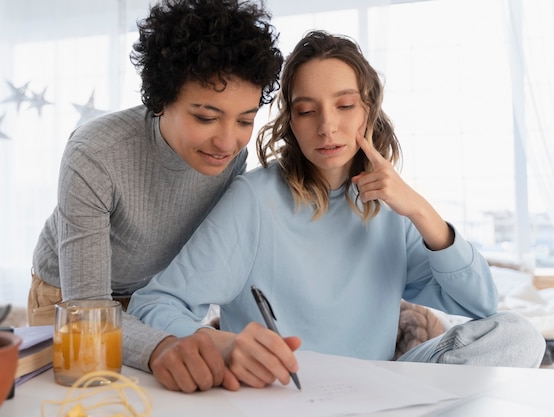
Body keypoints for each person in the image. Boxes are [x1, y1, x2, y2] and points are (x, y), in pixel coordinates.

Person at [128, 30, 546, 389]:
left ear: (368, 111)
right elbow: (155, 304)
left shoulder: (391, 209)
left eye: (345, 106)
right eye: (307, 111)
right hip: (281, 389)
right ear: (291, 122)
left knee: (520, 336)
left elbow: (482, 305)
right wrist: (226, 346)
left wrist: (420, 210)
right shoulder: (254, 199)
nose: (327, 126)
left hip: (381, 387)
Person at [28, 0, 283, 392]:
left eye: (245, 120)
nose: (227, 141)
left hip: (153, 301)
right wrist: (160, 346)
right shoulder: (96, 152)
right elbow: (88, 307)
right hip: (71, 301)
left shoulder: (233, 158)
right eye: (205, 117)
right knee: (83, 401)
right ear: (161, 100)